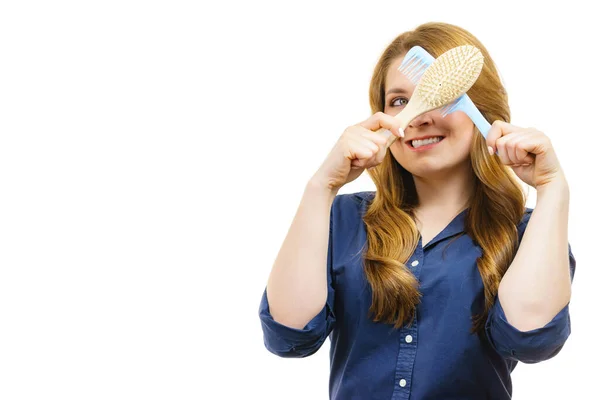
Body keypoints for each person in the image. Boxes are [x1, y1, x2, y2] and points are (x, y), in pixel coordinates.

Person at [258, 22, 575, 399]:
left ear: (481, 110)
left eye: (442, 96)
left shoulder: (528, 234)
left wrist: (553, 187)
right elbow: (289, 335)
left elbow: (530, 339)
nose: (418, 116)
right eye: (398, 101)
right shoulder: (341, 219)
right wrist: (320, 187)